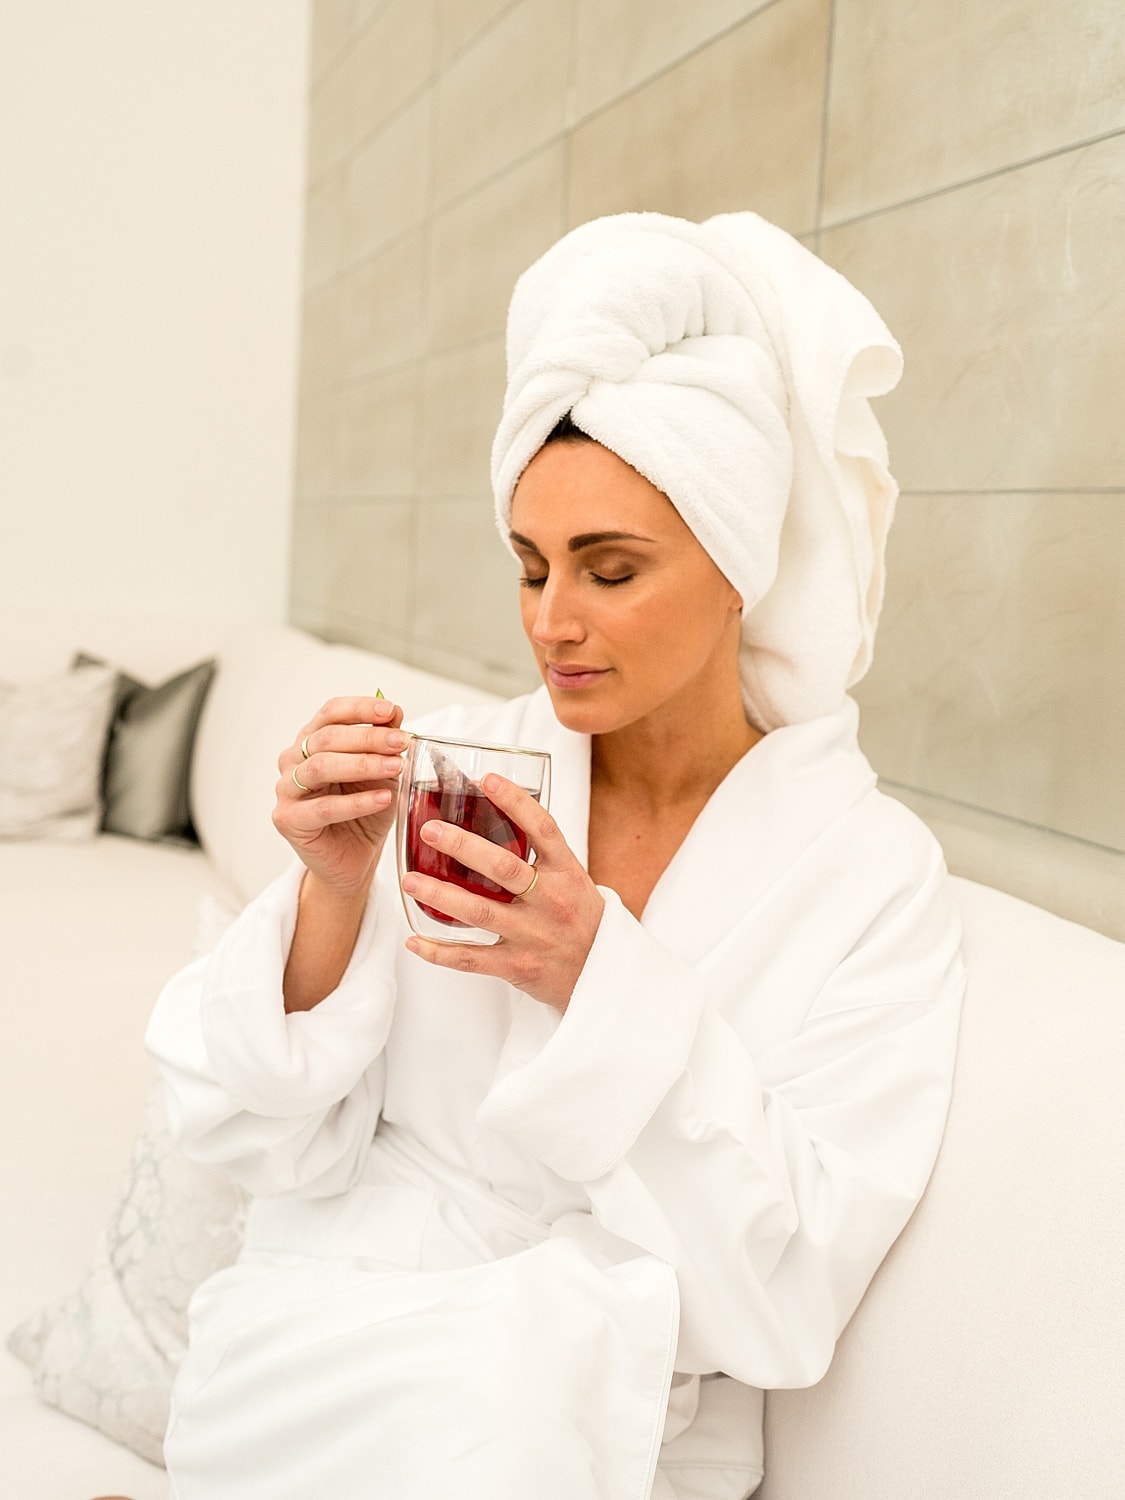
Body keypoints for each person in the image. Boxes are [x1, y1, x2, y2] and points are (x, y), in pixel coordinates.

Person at [139, 212, 966, 1500]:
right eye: (529, 567)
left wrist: (595, 978)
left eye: (610, 568)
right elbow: (263, 1135)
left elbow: (791, 1290)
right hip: (324, 1349)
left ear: (737, 564)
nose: (551, 623)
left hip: (586, 1423)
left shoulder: (869, 879)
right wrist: (330, 892)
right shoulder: (464, 769)